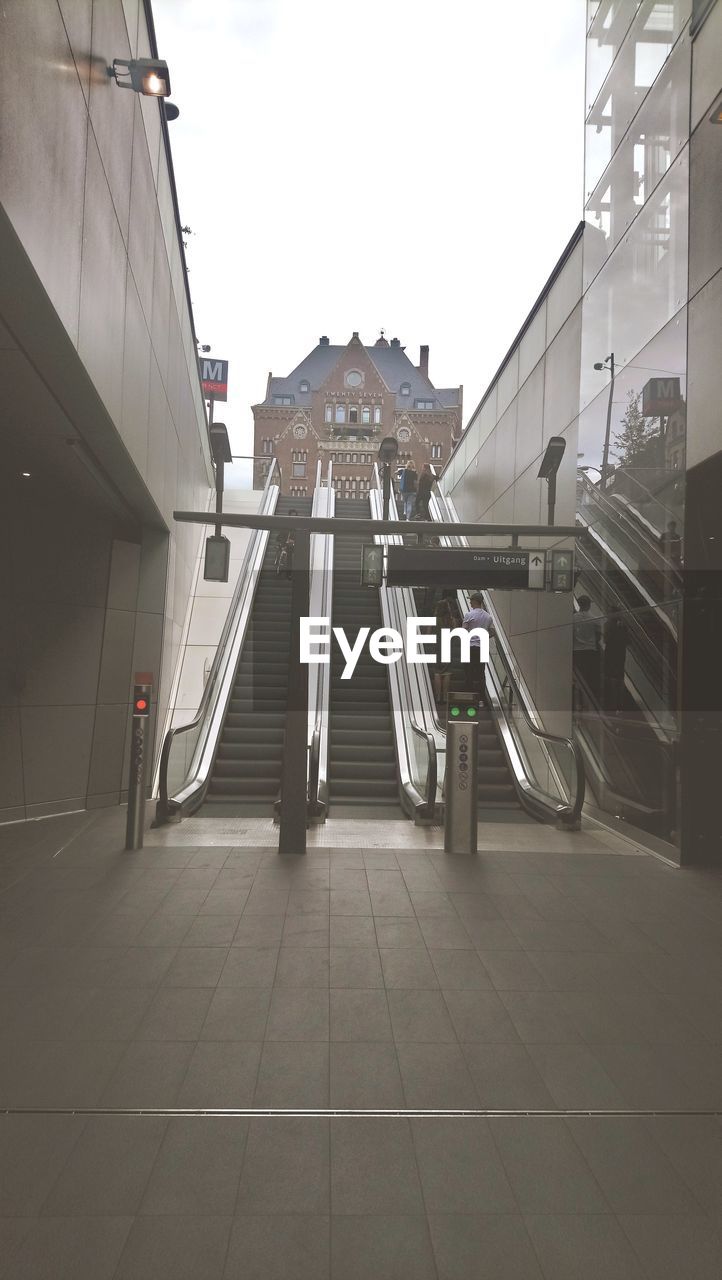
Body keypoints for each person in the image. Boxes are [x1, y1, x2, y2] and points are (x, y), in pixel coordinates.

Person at [462, 592, 495, 700]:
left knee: (468, 672)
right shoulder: (488, 617)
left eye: (471, 600)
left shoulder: (469, 615)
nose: (470, 602)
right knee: (481, 673)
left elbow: (464, 631)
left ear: (476, 601)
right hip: (482, 648)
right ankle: (481, 698)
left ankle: (468, 696)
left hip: (470, 647)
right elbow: (493, 632)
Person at [433, 592, 462, 707]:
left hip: (437, 647)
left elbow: (428, 633)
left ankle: (437, 697)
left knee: (437, 673)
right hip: (448, 647)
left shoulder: (435, 620)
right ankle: (445, 697)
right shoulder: (453, 620)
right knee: (447, 673)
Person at [573, 595, 601, 703]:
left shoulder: (573, 619)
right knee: (589, 677)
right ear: (589, 605)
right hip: (590, 651)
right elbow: (598, 636)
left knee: (578, 678)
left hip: (577, 651)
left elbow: (571, 635)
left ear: (579, 604)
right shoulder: (595, 619)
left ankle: (578, 700)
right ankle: (588, 700)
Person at [602, 611, 628, 712]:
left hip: (611, 655)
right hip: (621, 655)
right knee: (620, 679)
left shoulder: (608, 625)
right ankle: (620, 705)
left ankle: (612, 704)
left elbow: (605, 640)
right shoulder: (623, 626)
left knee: (611, 678)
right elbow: (628, 641)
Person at [275, 508, 297, 580]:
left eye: (295, 516)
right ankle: (279, 571)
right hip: (284, 547)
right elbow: (278, 538)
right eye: (292, 516)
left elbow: (301, 537)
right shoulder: (285, 526)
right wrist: (283, 543)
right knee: (282, 559)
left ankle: (289, 574)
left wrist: (293, 541)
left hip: (292, 548)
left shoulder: (298, 527)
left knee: (289, 561)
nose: (293, 517)